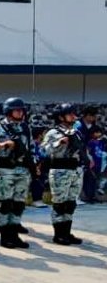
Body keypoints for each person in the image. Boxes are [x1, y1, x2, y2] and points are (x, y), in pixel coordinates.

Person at [0, 97, 36, 249]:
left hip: (23, 170)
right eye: (16, 110)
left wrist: (35, 163)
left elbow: (30, 148)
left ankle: (14, 234)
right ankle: (5, 236)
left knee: (18, 204)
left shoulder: (25, 127)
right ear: (8, 111)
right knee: (5, 204)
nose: (20, 112)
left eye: (21, 110)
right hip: (5, 170)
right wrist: (0, 145)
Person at [42, 104, 87, 245]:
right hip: (60, 171)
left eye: (74, 114)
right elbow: (44, 150)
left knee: (70, 203)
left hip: (75, 171)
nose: (74, 116)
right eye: (70, 114)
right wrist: (59, 142)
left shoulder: (76, 132)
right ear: (61, 117)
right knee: (60, 204)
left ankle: (67, 232)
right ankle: (59, 234)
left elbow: (81, 149)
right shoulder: (53, 133)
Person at [74, 106, 99, 202]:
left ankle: (91, 195)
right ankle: (78, 196)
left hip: (91, 152)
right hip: (80, 151)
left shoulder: (94, 126)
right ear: (87, 115)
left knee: (91, 175)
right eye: (93, 116)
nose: (94, 118)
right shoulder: (78, 124)